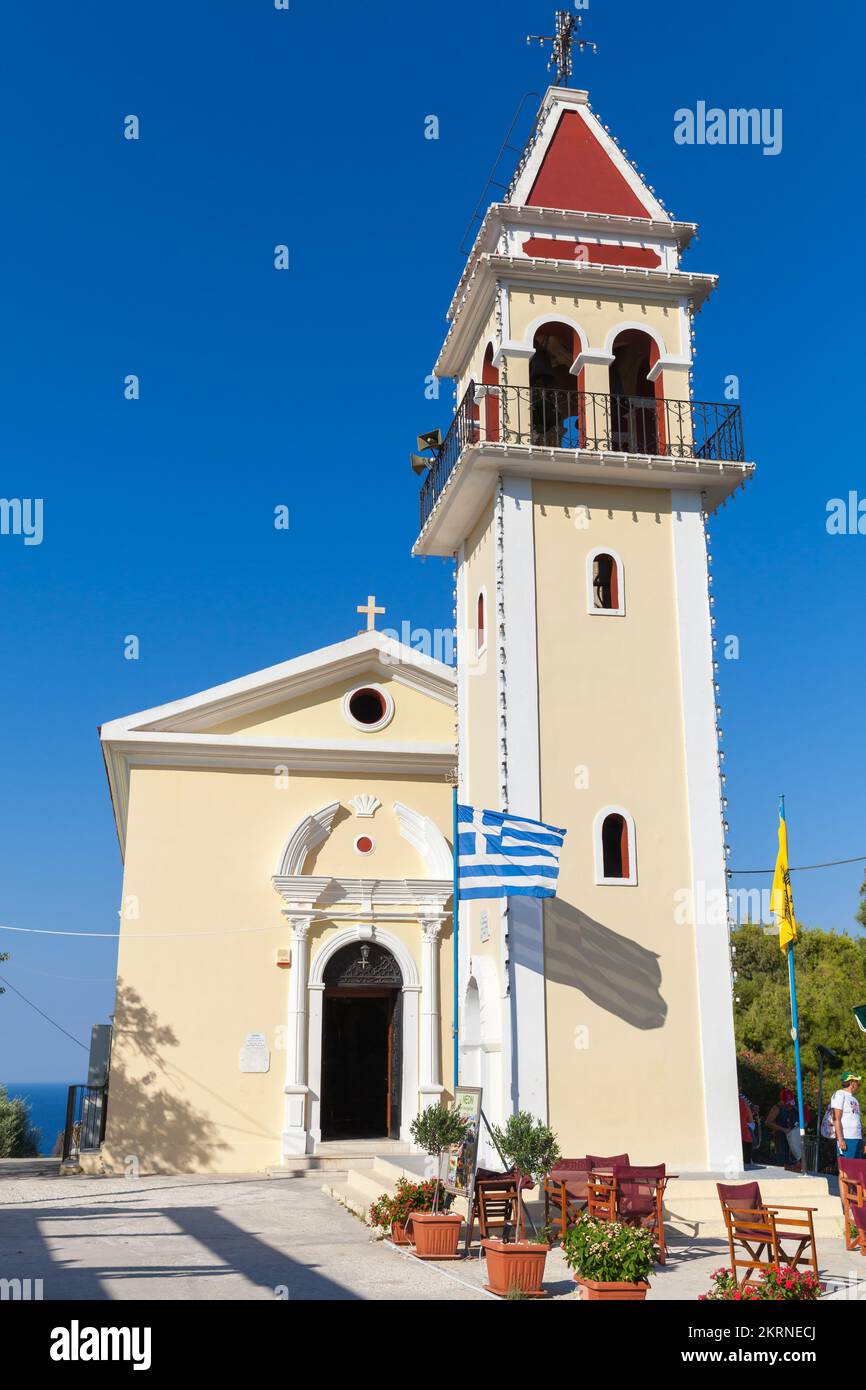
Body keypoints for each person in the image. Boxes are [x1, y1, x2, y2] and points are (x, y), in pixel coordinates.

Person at [831, 1071, 863, 1161]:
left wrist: (862, 1140)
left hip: (857, 1138)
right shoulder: (839, 1094)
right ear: (851, 1082)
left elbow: (857, 1120)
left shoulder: (854, 1099)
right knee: (845, 1171)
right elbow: (836, 1118)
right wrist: (840, 1139)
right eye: (857, 1081)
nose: (858, 1084)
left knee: (856, 1170)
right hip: (847, 1138)